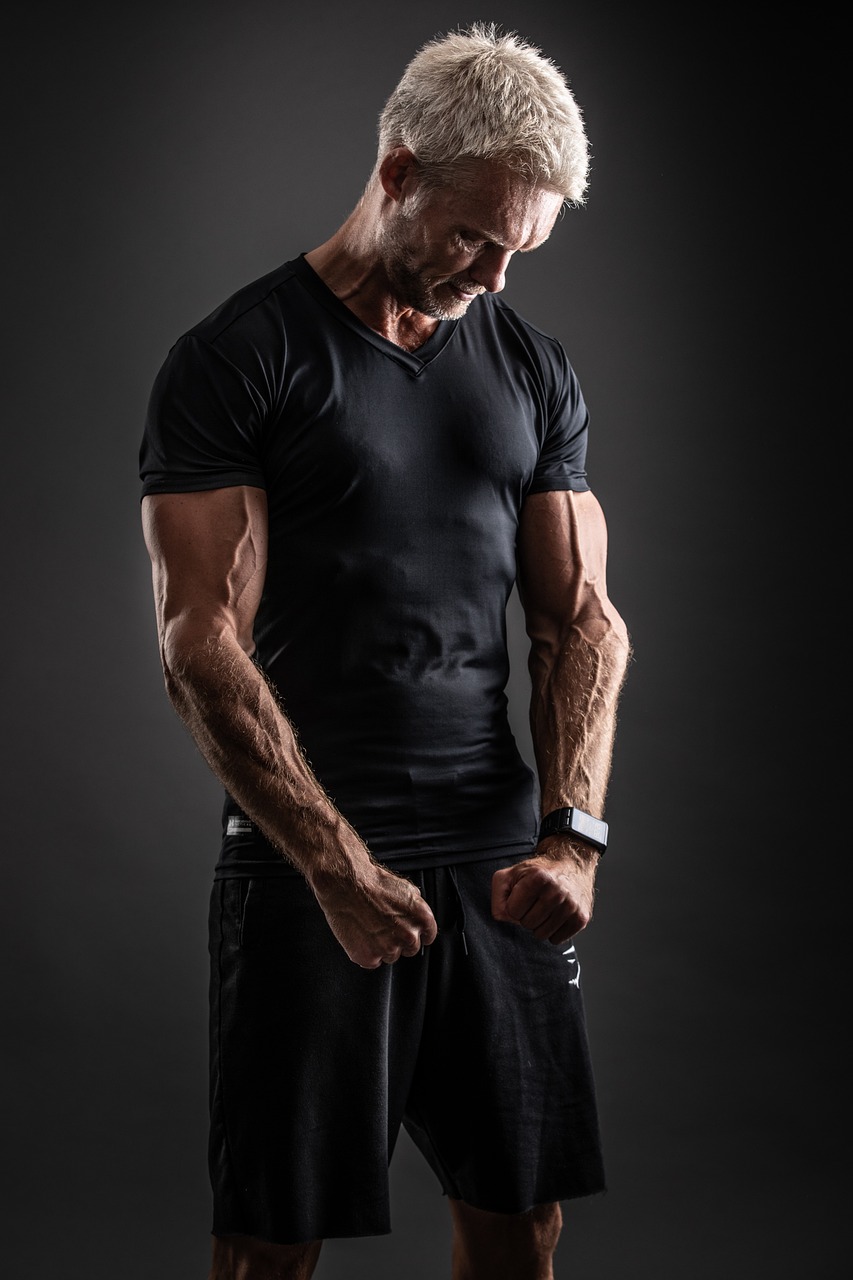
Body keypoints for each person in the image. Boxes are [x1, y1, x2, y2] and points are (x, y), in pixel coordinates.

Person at [139, 21, 631, 1280]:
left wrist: (570, 834)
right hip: (306, 859)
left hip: (494, 857)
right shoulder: (239, 357)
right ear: (398, 171)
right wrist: (337, 867)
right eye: (475, 235)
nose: (494, 275)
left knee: (522, 1222)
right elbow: (201, 643)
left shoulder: (529, 367)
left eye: (521, 249)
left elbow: (579, 619)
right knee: (268, 1240)